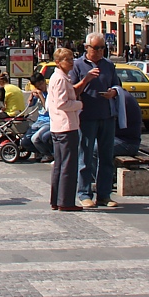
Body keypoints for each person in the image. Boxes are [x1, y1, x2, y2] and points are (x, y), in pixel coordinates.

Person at [70, 32, 120, 209]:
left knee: (106, 157)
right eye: (96, 48)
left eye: (102, 48)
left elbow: (117, 85)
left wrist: (113, 92)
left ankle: (104, 195)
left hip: (107, 116)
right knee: (86, 156)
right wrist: (86, 79)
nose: (99, 52)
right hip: (86, 117)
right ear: (87, 48)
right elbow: (72, 92)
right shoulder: (77, 65)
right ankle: (84, 193)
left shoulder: (108, 65)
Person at [47, 47, 82, 211]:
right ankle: (65, 201)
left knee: (60, 165)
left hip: (58, 125)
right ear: (59, 62)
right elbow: (62, 103)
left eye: (72, 59)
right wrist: (79, 104)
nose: (71, 62)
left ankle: (57, 199)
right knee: (68, 165)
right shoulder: (60, 79)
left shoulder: (59, 77)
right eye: (67, 60)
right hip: (65, 126)